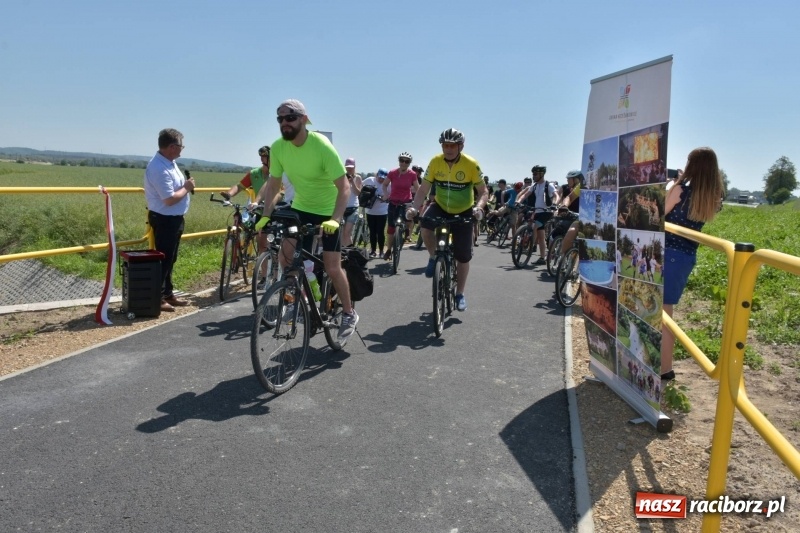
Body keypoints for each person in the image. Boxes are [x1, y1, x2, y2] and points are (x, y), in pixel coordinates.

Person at [253, 99, 358, 342]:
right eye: (280, 119)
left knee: (332, 266)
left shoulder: (320, 145)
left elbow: (344, 187)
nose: (284, 123)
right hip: (301, 207)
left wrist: (335, 219)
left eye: (290, 117)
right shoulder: (278, 147)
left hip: (329, 210)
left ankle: (348, 314)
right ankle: (295, 300)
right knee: (286, 257)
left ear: (303, 119)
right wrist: (266, 215)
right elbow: (274, 185)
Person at [406, 128, 488, 312]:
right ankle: (433, 257)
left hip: (464, 210)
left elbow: (483, 191)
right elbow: (423, 189)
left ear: (461, 147)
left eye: (452, 146)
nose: (448, 149)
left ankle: (460, 293)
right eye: (445, 145)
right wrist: (414, 207)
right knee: (425, 225)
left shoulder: (471, 164)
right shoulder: (435, 162)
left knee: (463, 256)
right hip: (441, 206)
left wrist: (479, 208)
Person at [660, 147, 724, 382]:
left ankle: (663, 367)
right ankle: (665, 366)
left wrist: (674, 183)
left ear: (692, 165)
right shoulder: (712, 198)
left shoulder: (680, 190)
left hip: (667, 251)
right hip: (686, 256)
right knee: (667, 312)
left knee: (661, 313)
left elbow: (658, 214)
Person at [144, 128, 195, 312]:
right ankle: (157, 298)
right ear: (172, 147)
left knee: (170, 258)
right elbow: (169, 199)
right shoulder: (158, 168)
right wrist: (187, 187)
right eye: (181, 146)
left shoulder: (169, 163)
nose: (182, 149)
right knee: (164, 259)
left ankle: (167, 293)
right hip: (165, 219)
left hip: (173, 218)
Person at [382, 151, 419, 260]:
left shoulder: (412, 174)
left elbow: (418, 188)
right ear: (399, 161)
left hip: (406, 202)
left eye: (406, 161)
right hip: (393, 202)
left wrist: (418, 200)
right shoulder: (392, 172)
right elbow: (384, 185)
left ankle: (407, 231)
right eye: (402, 160)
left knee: (409, 217)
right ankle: (389, 250)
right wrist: (386, 194)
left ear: (409, 163)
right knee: (391, 228)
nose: (404, 163)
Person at [516, 165, 556, 264]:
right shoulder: (534, 186)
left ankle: (530, 246)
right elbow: (525, 195)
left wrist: (555, 204)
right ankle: (542, 258)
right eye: (533, 174)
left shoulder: (548, 185)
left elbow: (556, 195)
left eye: (535, 174)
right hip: (537, 211)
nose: (533, 176)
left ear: (542, 174)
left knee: (535, 226)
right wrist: (519, 201)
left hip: (546, 212)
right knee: (541, 236)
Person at [362, 168, 389, 258]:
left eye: (383, 178)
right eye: (380, 177)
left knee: (380, 232)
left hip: (382, 212)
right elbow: (360, 186)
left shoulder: (388, 184)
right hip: (370, 211)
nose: (381, 180)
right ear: (376, 175)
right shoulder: (370, 180)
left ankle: (381, 251)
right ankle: (373, 250)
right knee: (372, 232)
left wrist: (384, 198)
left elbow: (390, 195)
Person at [341, 157, 363, 247]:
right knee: (341, 233)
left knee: (347, 232)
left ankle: (350, 251)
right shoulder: (342, 177)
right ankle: (343, 250)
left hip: (353, 207)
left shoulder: (357, 178)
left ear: (354, 167)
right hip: (342, 207)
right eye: (347, 167)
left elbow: (358, 193)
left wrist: (352, 182)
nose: (349, 169)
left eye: (351, 167)